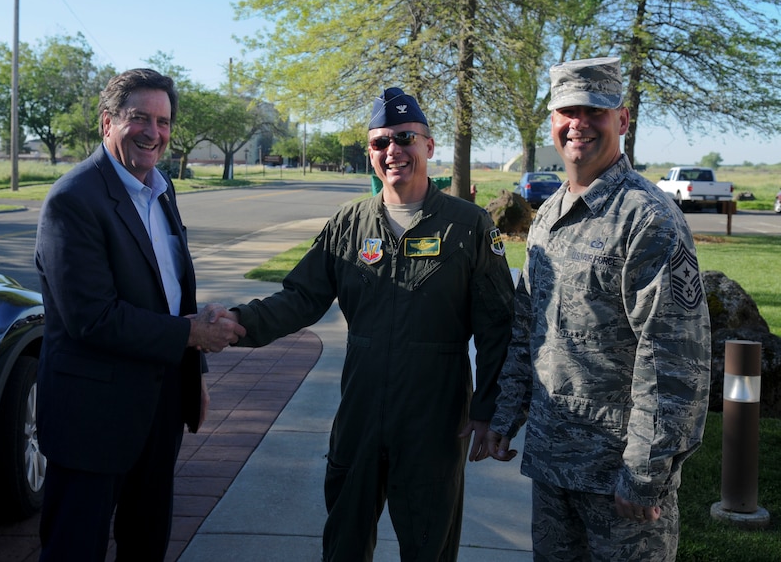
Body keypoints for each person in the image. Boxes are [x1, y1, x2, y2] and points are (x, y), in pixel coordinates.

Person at [222, 87, 516, 561]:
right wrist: (237, 324)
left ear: (429, 146)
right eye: (380, 143)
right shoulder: (349, 223)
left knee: (428, 543)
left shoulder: (469, 226)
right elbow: (301, 297)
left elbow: (499, 325)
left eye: (405, 138)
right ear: (370, 154)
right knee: (345, 538)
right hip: (359, 408)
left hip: (434, 413)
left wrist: (489, 411)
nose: (392, 151)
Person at [484, 57, 711, 561]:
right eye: (567, 111)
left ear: (622, 120)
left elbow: (675, 361)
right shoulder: (550, 213)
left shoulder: (648, 219)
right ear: (552, 121)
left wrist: (645, 472)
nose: (578, 123)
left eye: (596, 110)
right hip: (552, 464)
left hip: (618, 480)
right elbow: (529, 328)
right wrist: (506, 414)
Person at [34, 68, 245, 562]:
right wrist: (191, 336)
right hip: (92, 418)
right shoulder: (73, 200)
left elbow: (170, 296)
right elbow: (93, 318)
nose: (154, 132)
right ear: (108, 122)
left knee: (146, 544)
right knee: (74, 549)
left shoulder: (161, 189)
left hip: (160, 407)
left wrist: (195, 376)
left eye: (164, 121)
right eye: (139, 118)